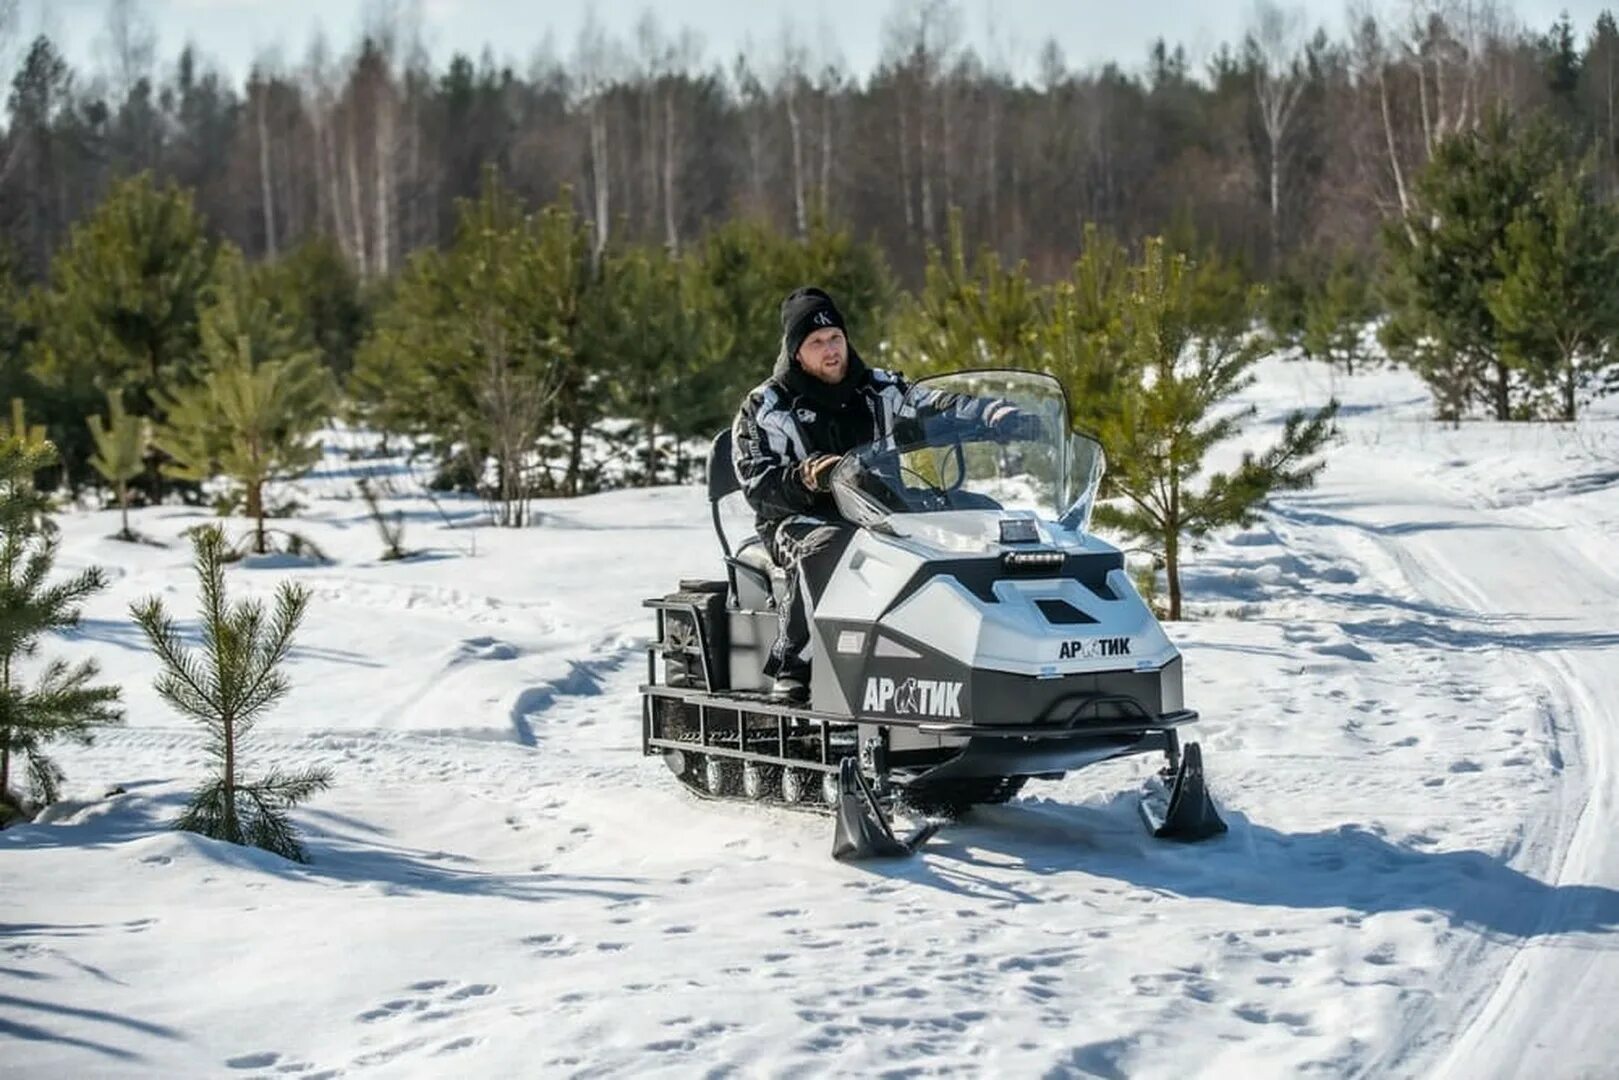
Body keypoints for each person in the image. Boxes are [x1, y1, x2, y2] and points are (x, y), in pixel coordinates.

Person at [730, 286, 1038, 702]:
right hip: (799, 517)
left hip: (882, 507)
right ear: (796, 351)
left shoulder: (878, 389)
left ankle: (1003, 645)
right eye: (816, 342)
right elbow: (757, 483)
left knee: (985, 516)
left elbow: (932, 406)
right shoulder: (766, 407)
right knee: (830, 545)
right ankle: (796, 662)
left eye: (835, 337)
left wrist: (990, 415)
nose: (830, 349)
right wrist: (806, 477)